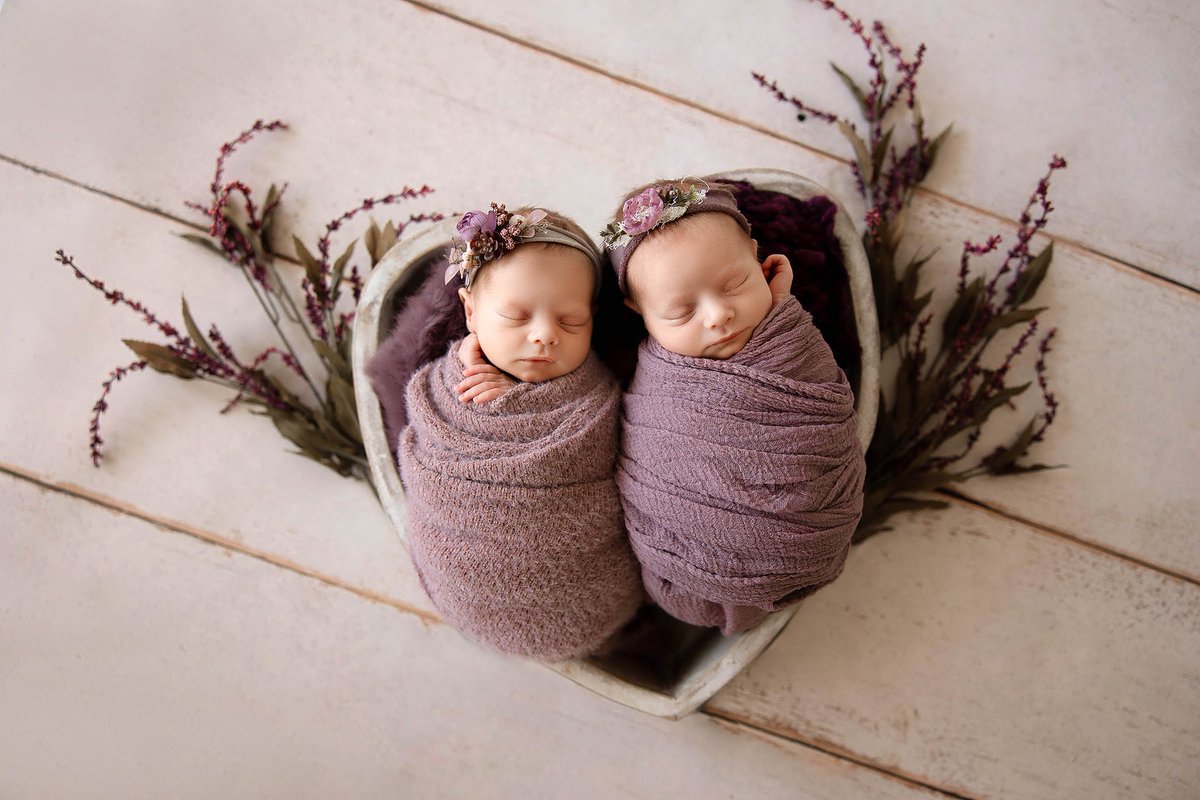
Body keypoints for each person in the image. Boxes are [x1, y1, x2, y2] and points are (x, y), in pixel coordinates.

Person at [602, 178, 866, 635]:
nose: (716, 315)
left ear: (759, 260)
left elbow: (823, 418)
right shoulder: (658, 377)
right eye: (681, 312)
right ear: (638, 314)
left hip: (805, 533)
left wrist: (781, 308)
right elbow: (647, 449)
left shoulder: (790, 339)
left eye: (735, 284)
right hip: (680, 560)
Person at [397, 204, 642, 662]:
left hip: (582, 589)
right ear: (470, 312)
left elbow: (634, 469)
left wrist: (523, 397)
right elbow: (426, 460)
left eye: (572, 322)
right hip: (468, 585)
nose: (546, 335)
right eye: (515, 317)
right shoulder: (443, 387)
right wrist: (479, 390)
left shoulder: (597, 404)